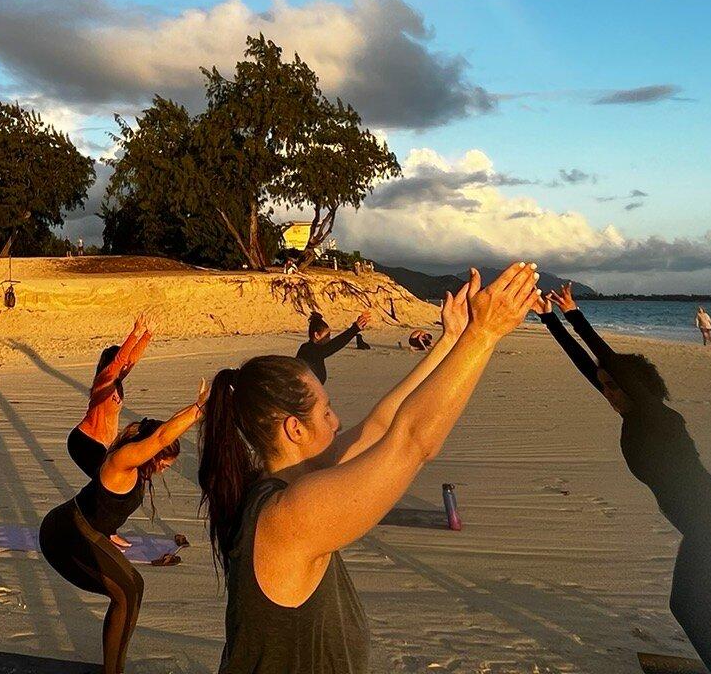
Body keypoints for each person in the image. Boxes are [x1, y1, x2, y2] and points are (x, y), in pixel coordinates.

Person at [200, 262, 539, 674]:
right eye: (326, 412)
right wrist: (484, 336)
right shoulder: (290, 515)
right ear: (294, 429)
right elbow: (411, 443)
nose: (337, 421)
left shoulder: (289, 484)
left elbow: (382, 425)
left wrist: (453, 339)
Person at [542, 286, 711, 674]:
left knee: (697, 620)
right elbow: (592, 367)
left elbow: (612, 364)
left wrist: (575, 315)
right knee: (689, 614)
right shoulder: (635, 415)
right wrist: (549, 320)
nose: (608, 394)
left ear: (635, 386)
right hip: (706, 533)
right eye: (606, 387)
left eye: (615, 386)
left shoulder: (654, 418)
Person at [39, 380, 206, 674]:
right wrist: (197, 410)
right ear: (150, 454)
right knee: (126, 591)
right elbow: (159, 437)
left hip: (87, 532)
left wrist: (110, 533)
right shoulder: (122, 461)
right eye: (165, 463)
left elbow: (159, 435)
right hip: (64, 534)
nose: (165, 468)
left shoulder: (135, 468)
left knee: (132, 589)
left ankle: (114, 667)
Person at [69, 316, 153, 479]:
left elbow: (131, 360)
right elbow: (120, 359)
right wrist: (135, 333)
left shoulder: (116, 382)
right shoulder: (103, 381)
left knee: (109, 482)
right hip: (84, 441)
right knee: (105, 482)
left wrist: (147, 335)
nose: (126, 365)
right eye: (122, 362)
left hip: (102, 444)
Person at [294, 311, 371, 384]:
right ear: (316, 335)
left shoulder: (311, 349)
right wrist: (355, 328)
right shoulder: (309, 351)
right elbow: (335, 345)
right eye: (327, 336)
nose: (329, 339)